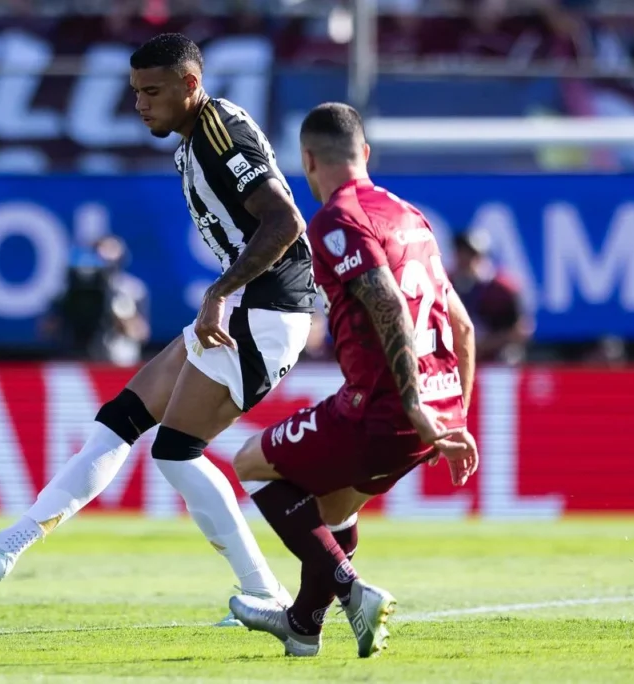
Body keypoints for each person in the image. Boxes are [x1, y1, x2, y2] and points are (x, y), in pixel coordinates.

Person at [0, 33, 316, 627]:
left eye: (152, 92)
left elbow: (286, 220)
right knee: (123, 418)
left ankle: (269, 594)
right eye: (135, 92)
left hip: (265, 309)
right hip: (249, 303)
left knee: (177, 451)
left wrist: (218, 293)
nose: (140, 104)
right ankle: (8, 545)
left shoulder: (221, 135)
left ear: (191, 85)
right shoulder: (199, 136)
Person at [224, 103, 479, 657]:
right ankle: (303, 625)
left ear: (307, 160)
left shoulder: (335, 218)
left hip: (382, 408)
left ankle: (351, 590)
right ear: (365, 154)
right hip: (435, 408)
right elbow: (460, 325)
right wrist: (451, 416)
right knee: (333, 510)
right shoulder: (411, 216)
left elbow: (385, 299)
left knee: (249, 461)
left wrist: (412, 407)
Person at [43, 234, 151, 367]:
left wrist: (124, 317)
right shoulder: (67, 290)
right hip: (74, 357)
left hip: (116, 361)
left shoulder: (132, 290)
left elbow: (142, 334)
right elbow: (46, 331)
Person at [450, 228, 532, 365]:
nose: (466, 259)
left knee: (510, 355)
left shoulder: (502, 289)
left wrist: (486, 344)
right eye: (461, 253)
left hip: (495, 355)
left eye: (471, 255)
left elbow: (521, 329)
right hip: (458, 352)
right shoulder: (446, 284)